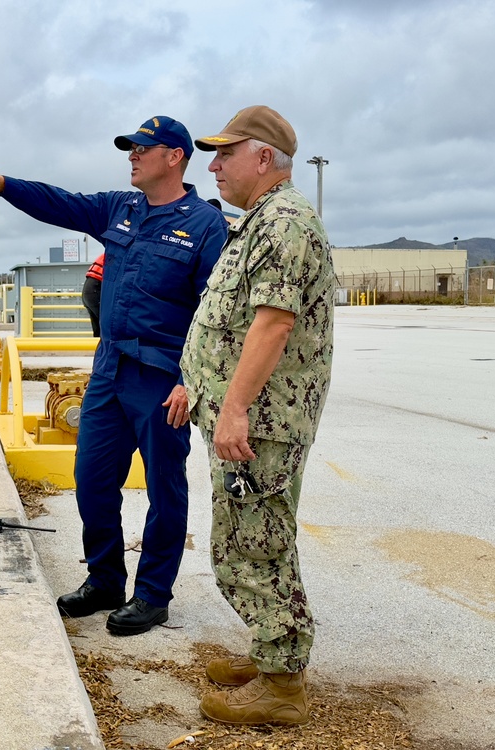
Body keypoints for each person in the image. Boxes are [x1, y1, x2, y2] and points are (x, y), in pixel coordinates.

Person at [0, 116, 228, 636]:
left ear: (174, 157)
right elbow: (60, 202)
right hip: (109, 369)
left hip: (164, 380)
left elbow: (219, 315)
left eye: (142, 149)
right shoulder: (120, 210)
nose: (131, 156)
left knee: (166, 492)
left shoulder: (206, 227)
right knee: (92, 481)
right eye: (130, 149)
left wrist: (193, 382)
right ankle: (104, 580)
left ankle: (152, 595)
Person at [177, 105, 335, 724]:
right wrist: (197, 384)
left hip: (262, 422)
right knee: (254, 538)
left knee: (252, 546)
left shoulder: (285, 224)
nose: (213, 166)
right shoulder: (261, 222)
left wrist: (235, 408)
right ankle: (271, 649)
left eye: (225, 154)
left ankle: (282, 682)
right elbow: (233, 321)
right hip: (251, 417)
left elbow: (273, 324)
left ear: (263, 158)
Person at [82, 253, 105, 337]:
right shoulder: (117, 255)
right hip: (95, 290)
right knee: (108, 325)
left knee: (98, 329)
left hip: (88, 291)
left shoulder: (107, 254)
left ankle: (99, 349)